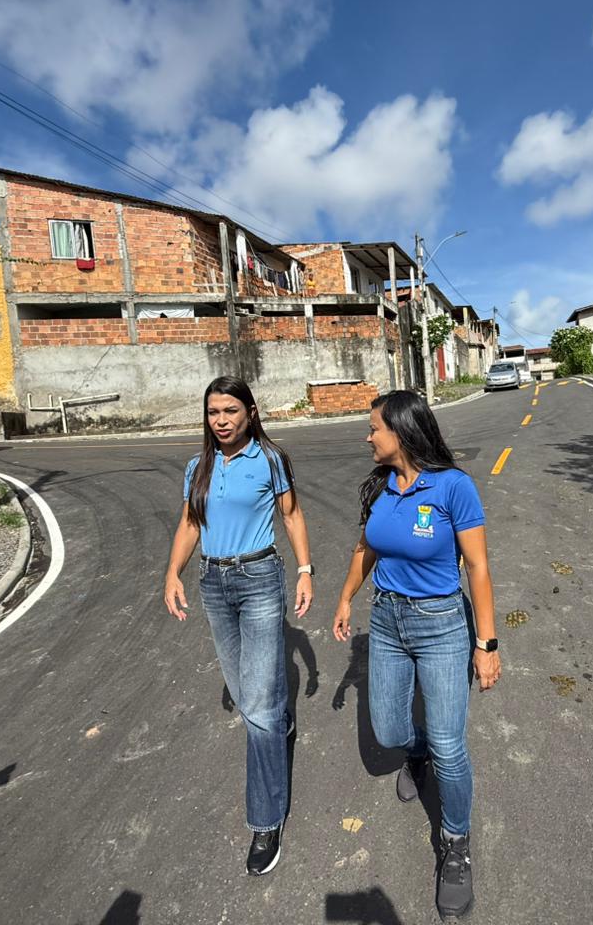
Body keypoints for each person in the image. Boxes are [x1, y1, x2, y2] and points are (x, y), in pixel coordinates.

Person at [332, 390, 501, 920]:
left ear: (402, 433)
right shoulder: (382, 487)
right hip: (386, 620)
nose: (368, 436)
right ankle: (417, 749)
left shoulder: (454, 487)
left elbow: (477, 568)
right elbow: (366, 549)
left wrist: (487, 645)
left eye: (374, 428)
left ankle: (455, 843)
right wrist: (344, 597)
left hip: (442, 624)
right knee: (388, 731)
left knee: (452, 746)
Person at [162, 376, 313, 877]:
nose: (221, 420)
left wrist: (305, 570)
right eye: (212, 412)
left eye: (230, 410)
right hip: (213, 583)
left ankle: (266, 820)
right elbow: (189, 524)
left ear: (250, 410)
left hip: (259, 579)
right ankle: (279, 721)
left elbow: (290, 516)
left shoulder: (269, 459)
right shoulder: (197, 467)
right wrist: (172, 574)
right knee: (249, 696)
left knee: (259, 710)